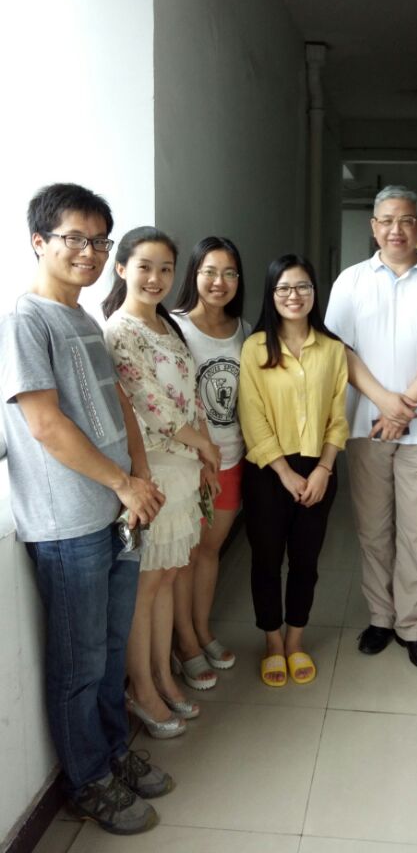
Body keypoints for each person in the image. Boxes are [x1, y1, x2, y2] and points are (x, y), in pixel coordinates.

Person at [0, 184, 170, 835]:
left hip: (114, 514)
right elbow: (44, 424)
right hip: (67, 524)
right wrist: (124, 484)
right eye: (75, 238)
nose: (90, 253)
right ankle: (88, 781)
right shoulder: (26, 321)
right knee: (78, 665)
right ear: (39, 241)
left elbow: (117, 404)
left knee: (108, 650)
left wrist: (140, 476)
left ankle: (113, 753)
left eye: (100, 241)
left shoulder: (82, 318)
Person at [325, 185, 417, 672]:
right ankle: (381, 618)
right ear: (374, 226)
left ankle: (413, 625)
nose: (396, 229)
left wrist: (402, 409)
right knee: (373, 529)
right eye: (386, 220)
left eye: (406, 220)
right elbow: (339, 350)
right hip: (365, 425)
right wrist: (386, 403)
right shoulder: (351, 280)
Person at [103, 228, 221, 736]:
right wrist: (205, 446)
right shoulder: (120, 329)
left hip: (185, 466)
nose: (155, 278)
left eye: (165, 269)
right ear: (122, 269)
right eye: (145, 266)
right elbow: (151, 406)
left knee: (169, 576)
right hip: (152, 468)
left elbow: (190, 396)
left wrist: (204, 453)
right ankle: (143, 689)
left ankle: (164, 678)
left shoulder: (166, 325)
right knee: (147, 586)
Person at [239, 253, 348, 686]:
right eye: (283, 287)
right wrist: (285, 473)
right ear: (271, 294)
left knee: (306, 561)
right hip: (268, 471)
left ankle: (295, 641)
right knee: (266, 560)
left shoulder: (333, 349)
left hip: (319, 469)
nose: (294, 295)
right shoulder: (254, 348)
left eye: (302, 286)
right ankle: (272, 642)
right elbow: (252, 415)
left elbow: (338, 416)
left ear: (314, 292)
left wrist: (324, 469)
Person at [173, 237, 251, 676]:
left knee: (210, 551)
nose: (219, 281)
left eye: (229, 273)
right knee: (184, 555)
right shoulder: (175, 326)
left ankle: (202, 630)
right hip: (188, 463)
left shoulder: (244, 330)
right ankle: (185, 643)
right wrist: (200, 452)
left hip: (231, 459)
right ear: (195, 275)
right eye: (210, 271)